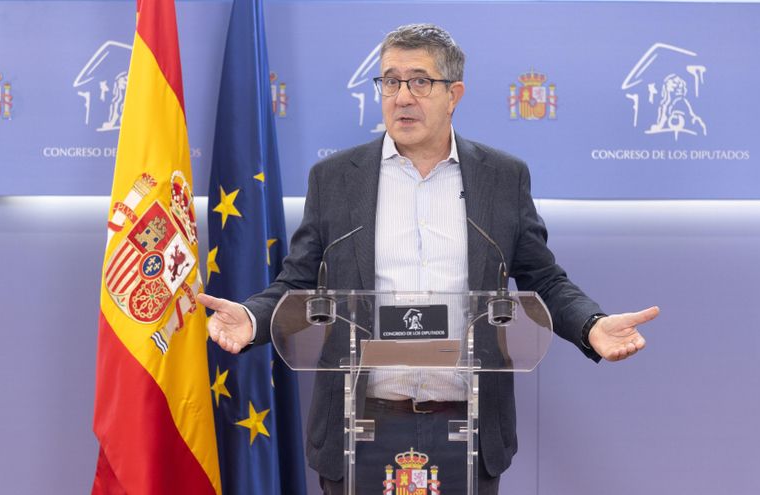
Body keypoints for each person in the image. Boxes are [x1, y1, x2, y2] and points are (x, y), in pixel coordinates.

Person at [197, 23, 660, 495]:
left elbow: (543, 280)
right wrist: (253, 319)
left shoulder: (502, 178)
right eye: (390, 81)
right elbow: (298, 284)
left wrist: (591, 324)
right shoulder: (335, 179)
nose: (402, 96)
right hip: (359, 424)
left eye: (420, 81)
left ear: (453, 93)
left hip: (468, 426)